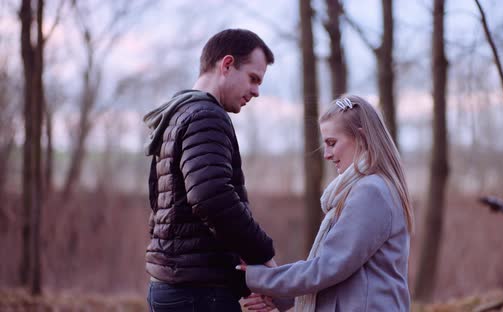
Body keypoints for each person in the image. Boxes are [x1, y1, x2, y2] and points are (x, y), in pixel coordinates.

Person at [238, 95, 414, 312]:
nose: (327, 154)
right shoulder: (363, 189)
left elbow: (329, 267)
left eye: (332, 143)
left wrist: (260, 278)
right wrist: (279, 297)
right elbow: (345, 278)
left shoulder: (371, 191)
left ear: (362, 137)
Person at [142, 28, 277, 312]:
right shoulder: (206, 116)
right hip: (198, 295)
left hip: (171, 288)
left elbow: (167, 208)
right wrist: (264, 255)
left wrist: (247, 280)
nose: (256, 92)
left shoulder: (177, 114)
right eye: (253, 79)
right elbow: (212, 198)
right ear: (226, 64)